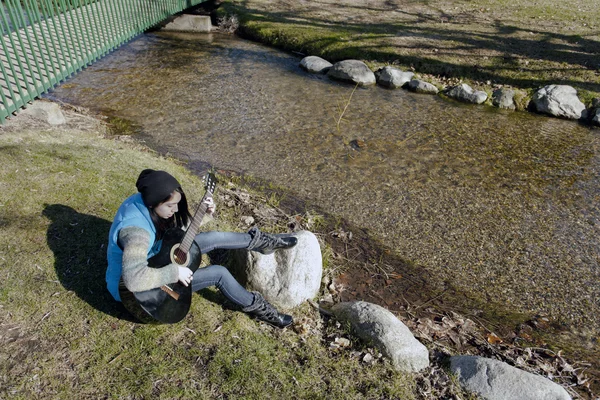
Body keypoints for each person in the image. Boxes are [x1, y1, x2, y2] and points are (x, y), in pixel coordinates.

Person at [106, 169, 297, 328]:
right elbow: (133, 280)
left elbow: (176, 232)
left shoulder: (148, 202)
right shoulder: (136, 232)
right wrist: (174, 273)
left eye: (177, 204)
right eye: (170, 206)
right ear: (153, 204)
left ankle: (262, 243)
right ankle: (259, 308)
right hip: (143, 293)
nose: (174, 210)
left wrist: (203, 214)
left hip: (157, 256)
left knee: (211, 237)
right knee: (219, 272)